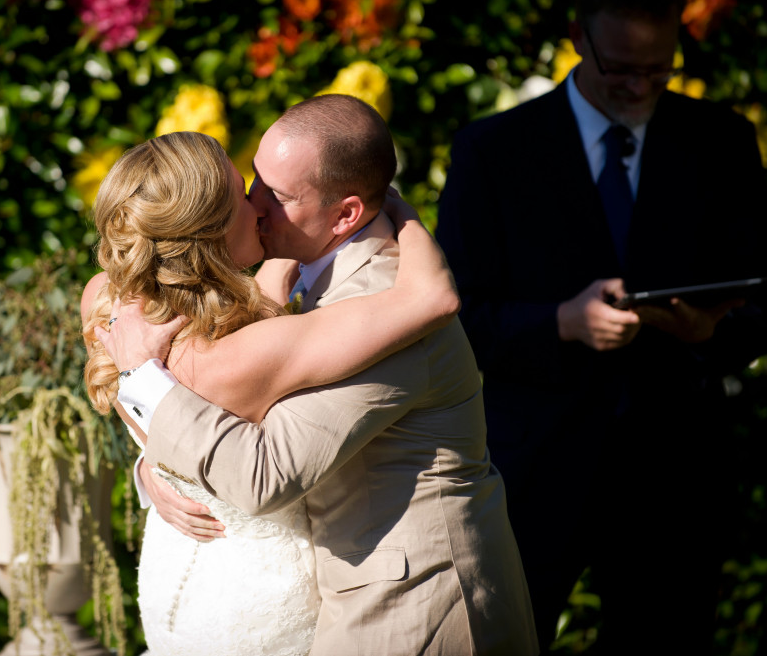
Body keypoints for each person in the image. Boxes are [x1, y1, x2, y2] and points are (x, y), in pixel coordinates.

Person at [100, 95, 539, 656]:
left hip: (414, 601)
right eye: (255, 180)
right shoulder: (282, 271)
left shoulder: (384, 302)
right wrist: (158, 468)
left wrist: (142, 378)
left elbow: (264, 475)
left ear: (345, 215)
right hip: (288, 585)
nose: (255, 204)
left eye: (279, 196)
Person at [434, 0, 767, 652]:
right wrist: (560, 323)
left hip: (675, 473)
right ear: (578, 38)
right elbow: (456, 318)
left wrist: (708, 333)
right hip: (533, 470)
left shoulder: (721, 141)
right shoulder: (494, 150)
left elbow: (763, 303)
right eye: (620, 68)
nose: (638, 87)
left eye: (658, 69)